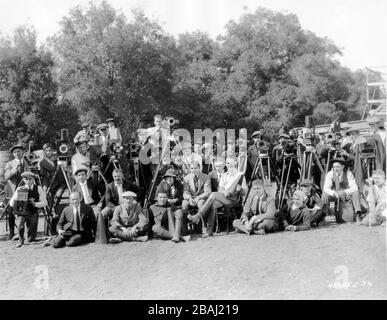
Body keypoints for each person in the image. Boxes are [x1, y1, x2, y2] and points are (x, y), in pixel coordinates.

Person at [188, 158, 247, 237]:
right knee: (213, 204)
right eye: (228, 163)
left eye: (231, 163)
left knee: (213, 194)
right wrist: (224, 192)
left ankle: (197, 216)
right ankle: (209, 231)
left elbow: (245, 192)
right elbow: (220, 188)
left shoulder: (240, 175)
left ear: (235, 164)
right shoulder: (225, 175)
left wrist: (240, 190)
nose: (229, 165)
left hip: (233, 199)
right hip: (224, 197)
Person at [9, 171, 48, 247]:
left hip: (33, 213)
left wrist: (36, 204)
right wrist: (16, 210)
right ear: (23, 180)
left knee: (31, 239)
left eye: (30, 179)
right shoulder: (20, 189)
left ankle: (29, 237)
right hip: (22, 213)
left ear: (33, 179)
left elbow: (45, 202)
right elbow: (11, 203)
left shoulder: (38, 189)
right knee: (20, 222)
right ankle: (20, 239)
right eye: (26, 179)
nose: (29, 181)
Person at [321, 158, 362, 223]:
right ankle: (322, 216)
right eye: (334, 167)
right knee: (325, 195)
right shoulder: (330, 174)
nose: (336, 169)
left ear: (343, 167)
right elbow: (326, 188)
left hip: (346, 194)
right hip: (335, 194)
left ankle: (358, 215)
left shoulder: (348, 173)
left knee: (355, 193)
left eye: (338, 166)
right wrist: (334, 193)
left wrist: (344, 192)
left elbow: (354, 187)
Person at [4, 144, 29, 239]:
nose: (17, 153)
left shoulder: (27, 162)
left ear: (22, 152)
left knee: (22, 211)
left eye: (18, 151)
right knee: (10, 212)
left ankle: (22, 232)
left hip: (23, 190)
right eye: (15, 152)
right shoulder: (9, 164)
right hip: (11, 191)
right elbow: (6, 176)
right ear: (13, 154)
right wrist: (15, 169)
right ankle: (11, 233)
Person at [39, 143, 68, 213]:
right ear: (44, 152)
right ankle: (51, 214)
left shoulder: (58, 157)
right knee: (50, 202)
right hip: (51, 185)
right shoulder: (43, 163)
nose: (48, 152)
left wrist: (63, 161)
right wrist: (45, 188)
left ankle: (57, 211)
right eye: (46, 151)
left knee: (58, 196)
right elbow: (44, 177)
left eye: (50, 150)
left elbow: (66, 165)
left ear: (52, 150)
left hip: (62, 183)